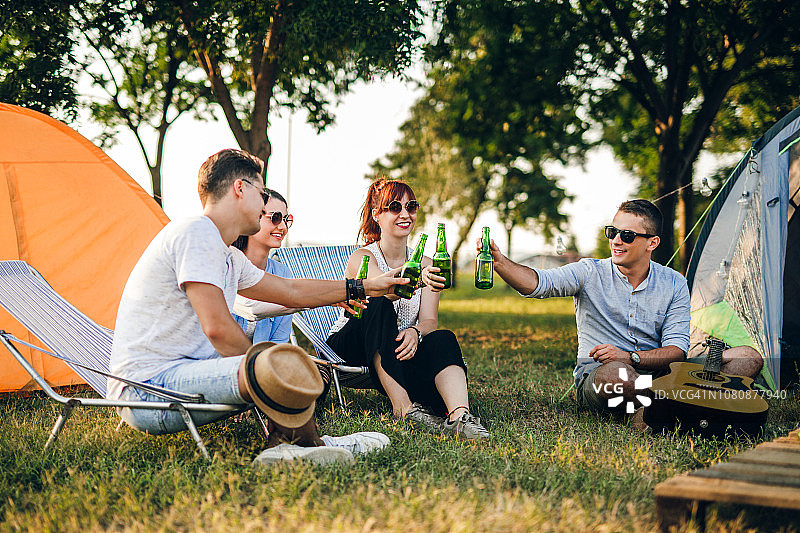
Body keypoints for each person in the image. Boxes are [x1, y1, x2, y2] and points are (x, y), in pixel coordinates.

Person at [109, 149, 408, 465]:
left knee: (286, 363)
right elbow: (217, 328)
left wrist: (366, 286)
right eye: (262, 194)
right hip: (147, 391)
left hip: (175, 380)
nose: (265, 206)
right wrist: (268, 371)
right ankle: (307, 446)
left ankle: (289, 448)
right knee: (285, 364)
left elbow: (290, 291)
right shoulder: (196, 233)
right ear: (240, 188)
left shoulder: (228, 255)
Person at [484, 199, 763, 420]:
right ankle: (681, 408)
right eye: (613, 232)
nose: (616, 240)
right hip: (605, 380)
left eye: (627, 235)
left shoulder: (674, 282)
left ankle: (663, 408)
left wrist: (631, 357)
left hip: (661, 377)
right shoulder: (589, 271)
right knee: (615, 373)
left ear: (652, 243)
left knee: (747, 358)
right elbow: (537, 283)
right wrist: (500, 263)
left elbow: (676, 351)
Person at [326, 177, 489, 440]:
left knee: (443, 338)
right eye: (394, 207)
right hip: (352, 346)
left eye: (411, 206)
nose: (405, 214)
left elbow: (429, 320)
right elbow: (382, 288)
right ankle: (403, 408)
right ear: (377, 215)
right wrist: (419, 277)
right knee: (378, 301)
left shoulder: (427, 263)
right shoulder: (363, 257)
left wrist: (416, 332)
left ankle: (460, 417)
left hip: (399, 350)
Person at [231, 188, 298, 344]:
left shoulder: (282, 273)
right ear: (252, 217)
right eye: (275, 218)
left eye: (286, 219)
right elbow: (250, 308)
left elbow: (279, 341)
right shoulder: (228, 266)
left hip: (265, 358)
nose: (283, 227)